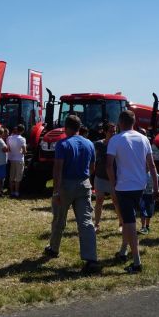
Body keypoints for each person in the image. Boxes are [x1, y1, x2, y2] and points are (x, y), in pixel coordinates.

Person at [44, 115, 99, 274]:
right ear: (79, 127)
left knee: (59, 218)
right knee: (86, 222)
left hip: (66, 185)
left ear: (66, 127)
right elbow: (92, 167)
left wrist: (56, 191)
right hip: (84, 184)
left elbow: (58, 169)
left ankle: (54, 248)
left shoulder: (62, 144)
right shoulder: (89, 143)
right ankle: (91, 258)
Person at [107, 110, 159, 274]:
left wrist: (113, 184)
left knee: (129, 223)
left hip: (124, 186)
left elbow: (109, 165)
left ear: (120, 122)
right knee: (129, 220)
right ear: (134, 121)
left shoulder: (115, 139)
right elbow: (152, 165)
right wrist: (156, 187)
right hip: (140, 185)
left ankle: (136, 261)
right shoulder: (144, 139)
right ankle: (123, 250)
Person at [93, 123, 121, 233]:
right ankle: (97, 224)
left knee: (116, 201)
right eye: (111, 131)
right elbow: (93, 158)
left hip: (114, 178)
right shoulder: (98, 145)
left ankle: (121, 223)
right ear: (105, 132)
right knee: (99, 200)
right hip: (100, 177)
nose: (113, 133)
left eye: (115, 131)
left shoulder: (118, 144)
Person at [6, 124, 27, 198]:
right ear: (22, 131)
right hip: (19, 159)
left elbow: (8, 149)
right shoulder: (22, 139)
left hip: (11, 159)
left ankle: (11, 192)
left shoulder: (9, 138)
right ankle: (16, 192)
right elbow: (24, 151)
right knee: (18, 177)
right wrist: (22, 151)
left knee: (11, 177)